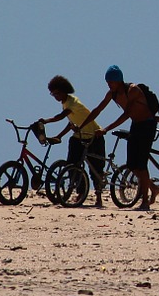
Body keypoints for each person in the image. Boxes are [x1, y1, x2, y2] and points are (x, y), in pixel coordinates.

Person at [73, 66, 159, 210]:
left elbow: (127, 114)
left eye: (111, 82)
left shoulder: (133, 90)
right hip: (136, 125)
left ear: (119, 81)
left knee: (141, 165)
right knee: (132, 165)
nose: (109, 84)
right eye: (107, 82)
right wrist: (82, 125)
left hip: (147, 125)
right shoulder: (111, 94)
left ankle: (145, 201)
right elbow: (98, 110)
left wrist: (106, 129)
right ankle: (153, 188)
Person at [38, 75, 108, 207]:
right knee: (72, 166)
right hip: (79, 137)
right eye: (53, 94)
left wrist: (46, 121)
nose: (55, 96)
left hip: (94, 136)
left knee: (96, 169)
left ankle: (99, 196)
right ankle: (80, 192)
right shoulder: (65, 103)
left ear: (64, 91)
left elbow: (60, 117)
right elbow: (71, 123)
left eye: (57, 93)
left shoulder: (72, 103)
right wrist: (59, 136)